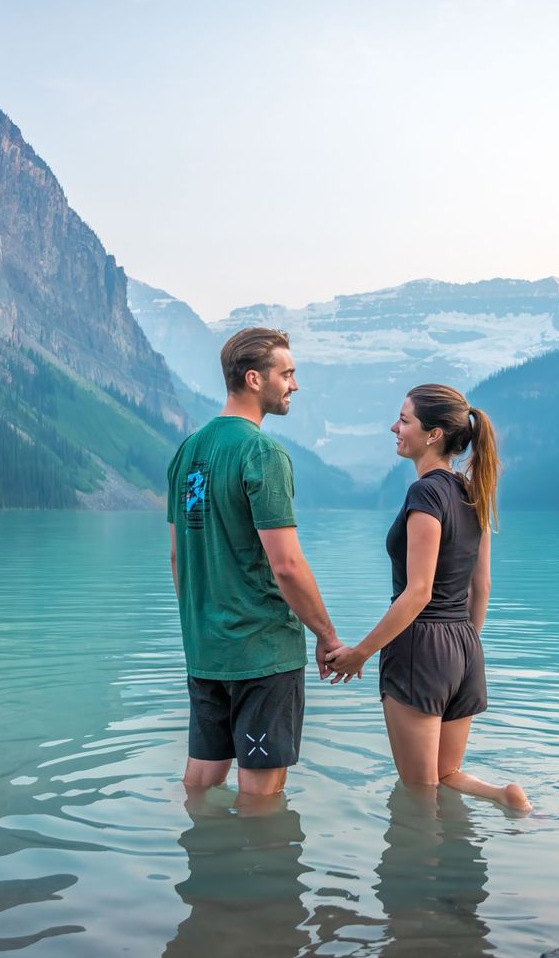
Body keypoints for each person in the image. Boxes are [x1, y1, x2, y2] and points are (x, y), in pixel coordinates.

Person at [326, 384, 530, 812]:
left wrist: (362, 651)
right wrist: (463, 646)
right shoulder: (474, 492)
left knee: (419, 794)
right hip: (463, 646)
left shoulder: (426, 493)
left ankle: (421, 874)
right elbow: (482, 585)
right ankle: (502, 797)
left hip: (420, 647)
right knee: (445, 775)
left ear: (433, 434)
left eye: (404, 420)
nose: (394, 428)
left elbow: (418, 591)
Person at [166, 327, 344, 801]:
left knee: (200, 785)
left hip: (205, 649)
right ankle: (261, 874)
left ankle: (203, 867)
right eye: (286, 374)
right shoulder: (261, 452)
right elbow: (285, 564)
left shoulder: (187, 452)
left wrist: (201, 624)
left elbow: (177, 556)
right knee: (262, 799)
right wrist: (327, 636)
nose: (294, 385)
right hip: (261, 653)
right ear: (253, 379)